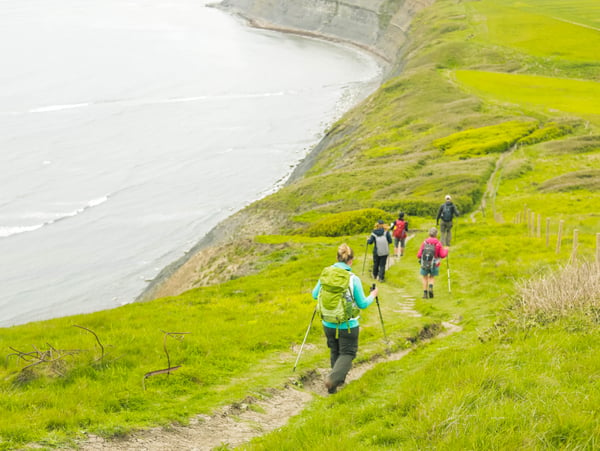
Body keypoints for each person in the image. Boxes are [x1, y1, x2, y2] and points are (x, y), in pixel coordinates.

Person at [312, 243, 378, 394]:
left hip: (327, 321)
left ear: (337, 258)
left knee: (334, 349)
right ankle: (332, 380)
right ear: (351, 261)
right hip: (348, 324)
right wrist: (373, 296)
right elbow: (362, 304)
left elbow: (315, 295)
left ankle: (335, 386)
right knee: (348, 352)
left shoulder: (326, 274)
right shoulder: (353, 279)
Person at [417, 227, 448, 299]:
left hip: (425, 263)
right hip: (435, 263)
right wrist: (446, 250)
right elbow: (442, 255)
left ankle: (425, 293)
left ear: (429, 233)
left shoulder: (425, 242)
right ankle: (430, 287)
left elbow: (419, 255)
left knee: (424, 278)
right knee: (431, 277)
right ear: (436, 234)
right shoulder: (438, 243)